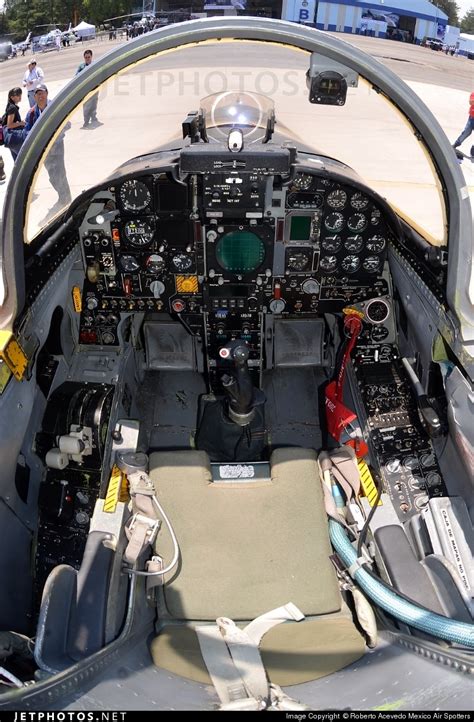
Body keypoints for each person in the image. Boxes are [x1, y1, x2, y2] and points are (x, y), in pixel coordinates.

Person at [24, 84, 72, 215]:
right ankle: (62, 196)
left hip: (56, 146)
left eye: (42, 93)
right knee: (52, 176)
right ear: (34, 97)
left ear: (47, 93)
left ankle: (66, 198)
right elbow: (27, 131)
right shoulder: (32, 113)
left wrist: (55, 135)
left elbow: (67, 124)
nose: (41, 96)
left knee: (60, 173)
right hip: (43, 150)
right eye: (38, 94)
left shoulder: (54, 108)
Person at [76, 49, 103, 129]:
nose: (87, 59)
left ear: (91, 57)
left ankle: (93, 118)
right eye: (86, 57)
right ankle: (86, 121)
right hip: (86, 90)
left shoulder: (95, 65)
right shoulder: (81, 67)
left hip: (94, 88)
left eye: (88, 57)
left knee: (94, 104)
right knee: (86, 106)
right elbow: (76, 76)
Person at [2, 87, 26, 161]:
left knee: (17, 161)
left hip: (10, 139)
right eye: (18, 95)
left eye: (20, 95)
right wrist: (21, 123)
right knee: (22, 160)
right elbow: (9, 125)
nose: (20, 97)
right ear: (12, 97)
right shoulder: (12, 108)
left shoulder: (9, 105)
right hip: (14, 139)